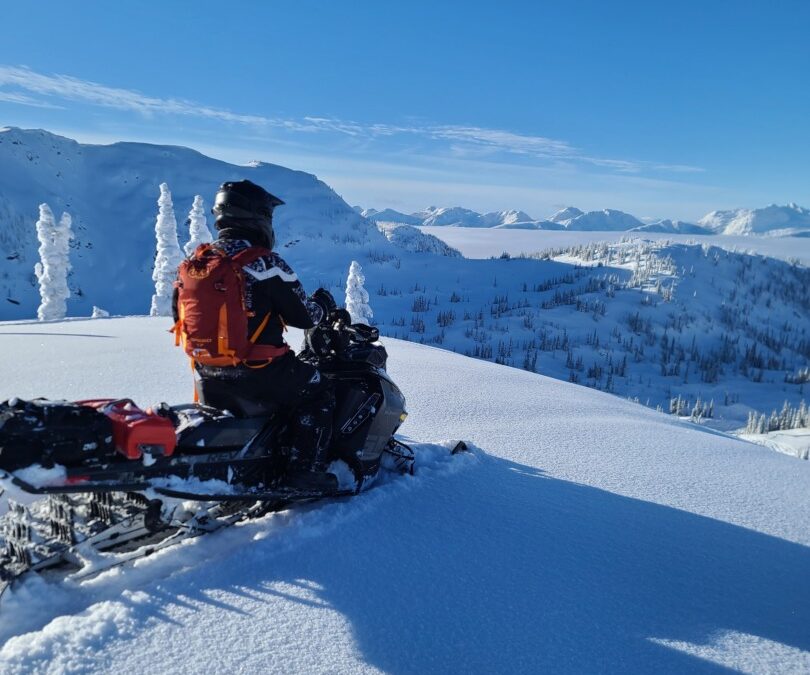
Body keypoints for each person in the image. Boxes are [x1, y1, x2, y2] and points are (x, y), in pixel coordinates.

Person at [173, 179, 338, 490]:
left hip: (206, 373)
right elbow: (304, 316)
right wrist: (324, 305)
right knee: (319, 392)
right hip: (259, 372)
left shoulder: (198, 262)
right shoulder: (264, 262)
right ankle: (304, 472)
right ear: (258, 217)